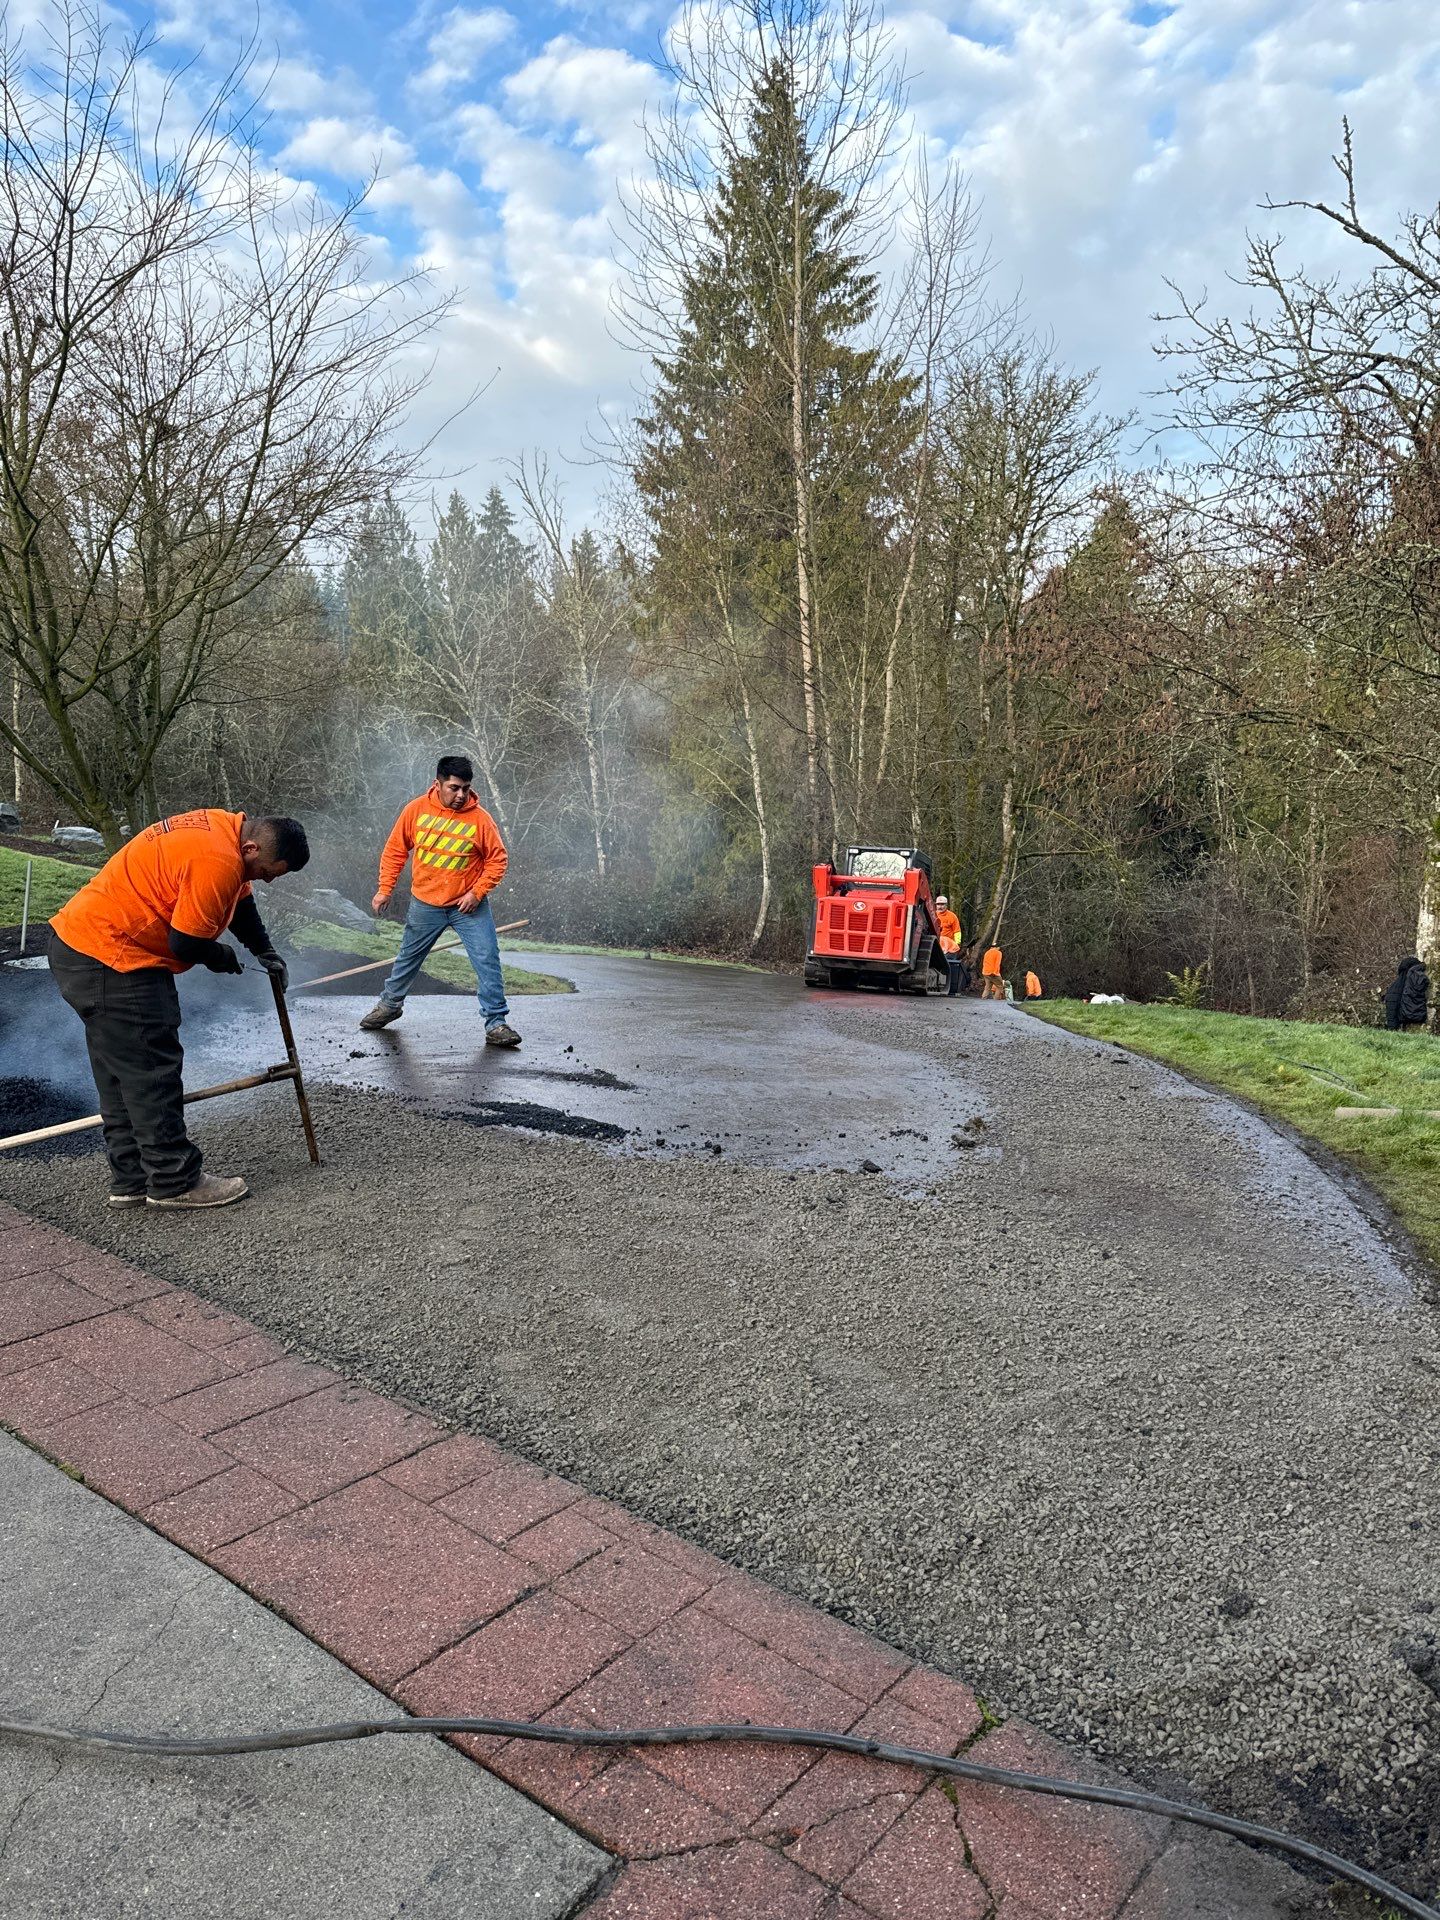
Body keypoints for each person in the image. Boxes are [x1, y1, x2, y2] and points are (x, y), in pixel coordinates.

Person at [47, 809, 308, 1211]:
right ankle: (174, 1181)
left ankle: (132, 1179)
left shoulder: (223, 828)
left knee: (121, 1074)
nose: (268, 879)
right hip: (114, 958)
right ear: (252, 848)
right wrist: (222, 956)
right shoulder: (217, 859)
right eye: (267, 872)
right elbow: (185, 943)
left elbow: (239, 898)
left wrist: (264, 949)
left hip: (82, 948)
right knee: (152, 1072)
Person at [361, 755, 521, 1047]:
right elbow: (395, 850)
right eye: (454, 788)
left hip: (468, 906)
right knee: (408, 957)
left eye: (466, 789)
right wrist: (385, 889)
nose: (461, 795)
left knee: (487, 958)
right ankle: (389, 1005)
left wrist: (477, 893)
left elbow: (497, 860)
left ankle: (496, 1023)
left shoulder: (480, 819)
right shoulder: (416, 810)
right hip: (426, 903)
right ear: (438, 784)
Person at [1383, 955, 1431, 1031]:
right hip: (1419, 1019)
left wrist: (1392, 1029)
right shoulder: (1416, 980)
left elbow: (1391, 1013)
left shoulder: (1395, 987)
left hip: (1406, 1023)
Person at [935, 894, 967, 997]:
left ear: (946, 905)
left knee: (948, 966)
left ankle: (948, 987)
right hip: (936, 945)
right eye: (938, 904)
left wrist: (957, 943)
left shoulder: (952, 916)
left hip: (949, 948)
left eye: (942, 904)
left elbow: (957, 931)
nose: (940, 906)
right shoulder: (933, 915)